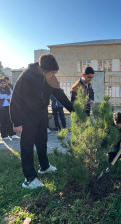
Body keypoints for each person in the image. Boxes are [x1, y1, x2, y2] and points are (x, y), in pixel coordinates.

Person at [10, 53, 73, 189]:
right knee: (27, 146)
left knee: (42, 141)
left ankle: (44, 167)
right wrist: (16, 122)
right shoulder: (26, 77)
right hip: (27, 116)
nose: (52, 76)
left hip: (42, 113)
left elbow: (59, 93)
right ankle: (29, 178)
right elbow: (15, 99)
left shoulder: (50, 77)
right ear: (43, 69)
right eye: (51, 74)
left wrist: (73, 109)